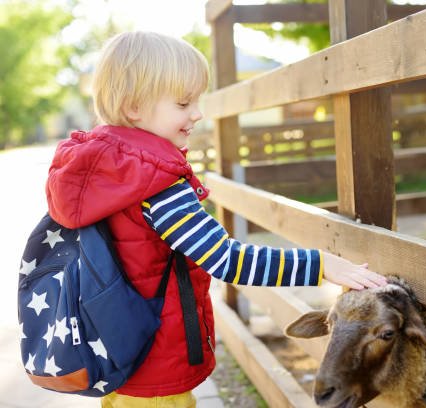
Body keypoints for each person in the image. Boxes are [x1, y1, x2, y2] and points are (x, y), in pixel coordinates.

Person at [45, 31, 388, 407]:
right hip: (157, 366)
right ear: (133, 108)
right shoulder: (156, 184)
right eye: (183, 102)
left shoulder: (105, 173)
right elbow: (226, 259)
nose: (197, 113)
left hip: (118, 355)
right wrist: (322, 265)